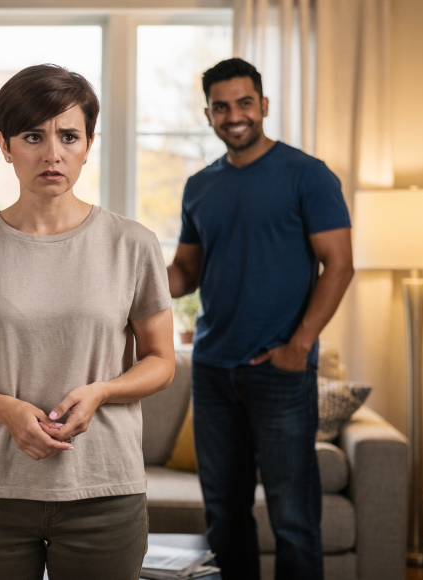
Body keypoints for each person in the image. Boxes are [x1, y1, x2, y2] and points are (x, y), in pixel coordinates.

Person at [0, 64, 176, 580]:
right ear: (5, 145)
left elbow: (161, 361)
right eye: (33, 136)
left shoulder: (134, 244)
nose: (52, 153)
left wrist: (101, 392)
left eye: (68, 135)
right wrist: (4, 409)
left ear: (88, 143)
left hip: (104, 488)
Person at [166, 58, 354, 580]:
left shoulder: (307, 175)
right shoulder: (200, 186)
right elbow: (185, 271)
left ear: (264, 106)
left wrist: (300, 346)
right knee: (224, 515)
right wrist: (131, 279)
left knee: (294, 518)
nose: (234, 115)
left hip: (280, 371)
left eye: (244, 103)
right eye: (221, 106)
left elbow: (339, 265)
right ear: (208, 115)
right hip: (212, 371)